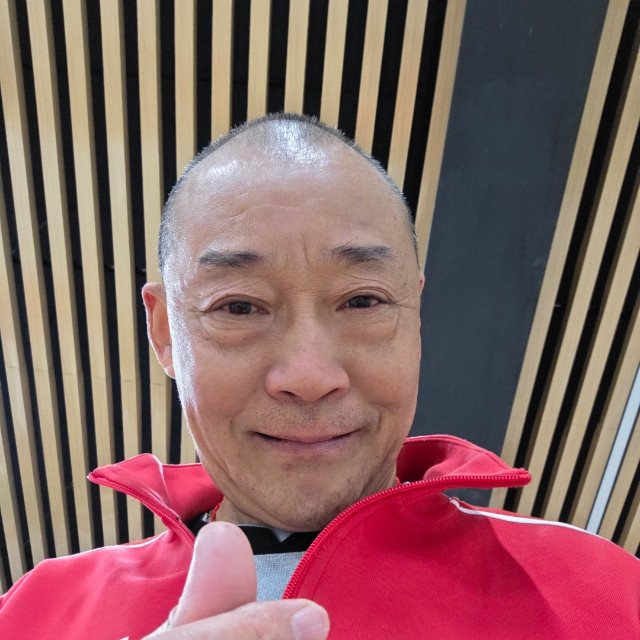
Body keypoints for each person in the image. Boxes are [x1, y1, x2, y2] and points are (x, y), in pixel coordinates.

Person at [0, 113, 637, 639]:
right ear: (166, 333)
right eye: (238, 307)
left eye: (363, 300)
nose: (309, 377)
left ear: (414, 314)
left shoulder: (602, 592)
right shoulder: (37, 612)